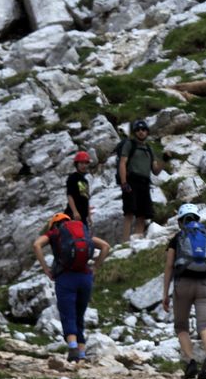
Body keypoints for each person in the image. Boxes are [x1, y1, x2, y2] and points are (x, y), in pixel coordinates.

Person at [32, 213, 110, 362]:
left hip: (65, 277)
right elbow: (106, 246)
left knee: (68, 314)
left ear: (54, 224)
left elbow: (36, 245)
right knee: (79, 316)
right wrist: (96, 267)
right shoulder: (83, 233)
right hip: (85, 278)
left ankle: (72, 347)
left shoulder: (55, 232)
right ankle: (81, 354)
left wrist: (46, 268)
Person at [162, 203, 206, 379]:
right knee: (204, 326)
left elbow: (169, 266)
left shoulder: (177, 238)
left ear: (181, 221)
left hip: (183, 285)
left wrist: (165, 294)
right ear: (198, 218)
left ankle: (190, 362)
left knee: (181, 327)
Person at [118, 119, 164, 242]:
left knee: (142, 213)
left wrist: (164, 160)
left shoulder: (149, 149)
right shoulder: (130, 145)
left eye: (143, 129)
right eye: (138, 130)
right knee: (129, 212)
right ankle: (125, 242)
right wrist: (123, 182)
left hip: (144, 182)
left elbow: (155, 170)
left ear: (147, 132)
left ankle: (138, 240)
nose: (141, 132)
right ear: (134, 132)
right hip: (131, 180)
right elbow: (122, 163)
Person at [66, 151, 92, 226]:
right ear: (76, 165)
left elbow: (86, 198)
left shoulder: (85, 181)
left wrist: (89, 215)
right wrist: (75, 211)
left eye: (86, 163)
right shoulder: (72, 178)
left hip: (83, 216)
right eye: (81, 163)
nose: (84, 166)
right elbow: (70, 195)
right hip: (73, 215)